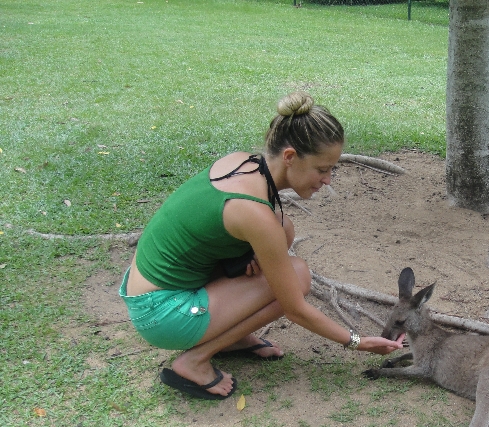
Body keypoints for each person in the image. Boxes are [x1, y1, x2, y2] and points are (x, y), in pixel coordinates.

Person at [119, 91, 403, 400]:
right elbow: (295, 309)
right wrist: (357, 341)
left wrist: (250, 253)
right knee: (297, 276)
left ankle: (232, 339)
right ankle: (194, 361)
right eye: (322, 169)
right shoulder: (254, 214)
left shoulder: (242, 163)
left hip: (148, 288)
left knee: (285, 229)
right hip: (160, 313)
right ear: (290, 157)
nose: (328, 180)